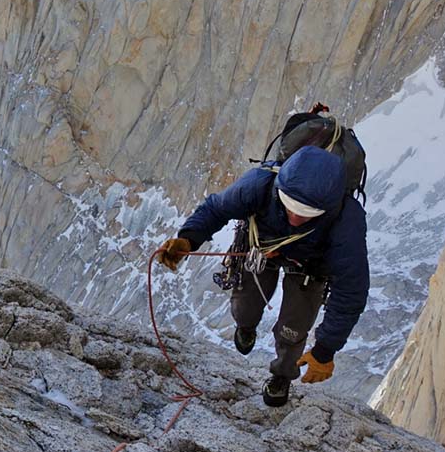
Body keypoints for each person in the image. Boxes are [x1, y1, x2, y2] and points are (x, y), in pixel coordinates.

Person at [156, 146, 369, 407]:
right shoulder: (259, 184)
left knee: (293, 328)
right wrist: (188, 239)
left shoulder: (347, 221)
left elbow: (351, 290)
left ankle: (282, 376)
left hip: (309, 268)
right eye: (289, 205)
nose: (294, 217)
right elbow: (217, 209)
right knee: (245, 304)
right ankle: (246, 325)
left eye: (306, 214)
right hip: (261, 246)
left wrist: (325, 350)